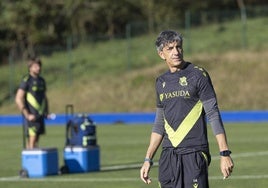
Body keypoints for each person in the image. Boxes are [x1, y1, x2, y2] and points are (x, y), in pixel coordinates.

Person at [140, 30, 234, 188]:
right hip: (169, 156)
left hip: (194, 153)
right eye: (170, 49)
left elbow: (213, 114)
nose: (176, 52)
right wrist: (148, 159)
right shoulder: (160, 82)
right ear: (161, 54)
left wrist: (224, 153)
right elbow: (159, 123)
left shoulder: (198, 75)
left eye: (179, 47)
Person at [15, 57, 49, 149]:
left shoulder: (42, 80)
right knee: (32, 141)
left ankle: (33, 161)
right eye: (35, 66)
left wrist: (46, 112)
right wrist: (27, 114)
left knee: (36, 141)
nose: (38, 68)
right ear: (30, 68)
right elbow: (18, 98)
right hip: (31, 116)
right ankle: (29, 162)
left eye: (39, 66)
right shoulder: (27, 80)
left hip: (40, 115)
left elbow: (44, 97)